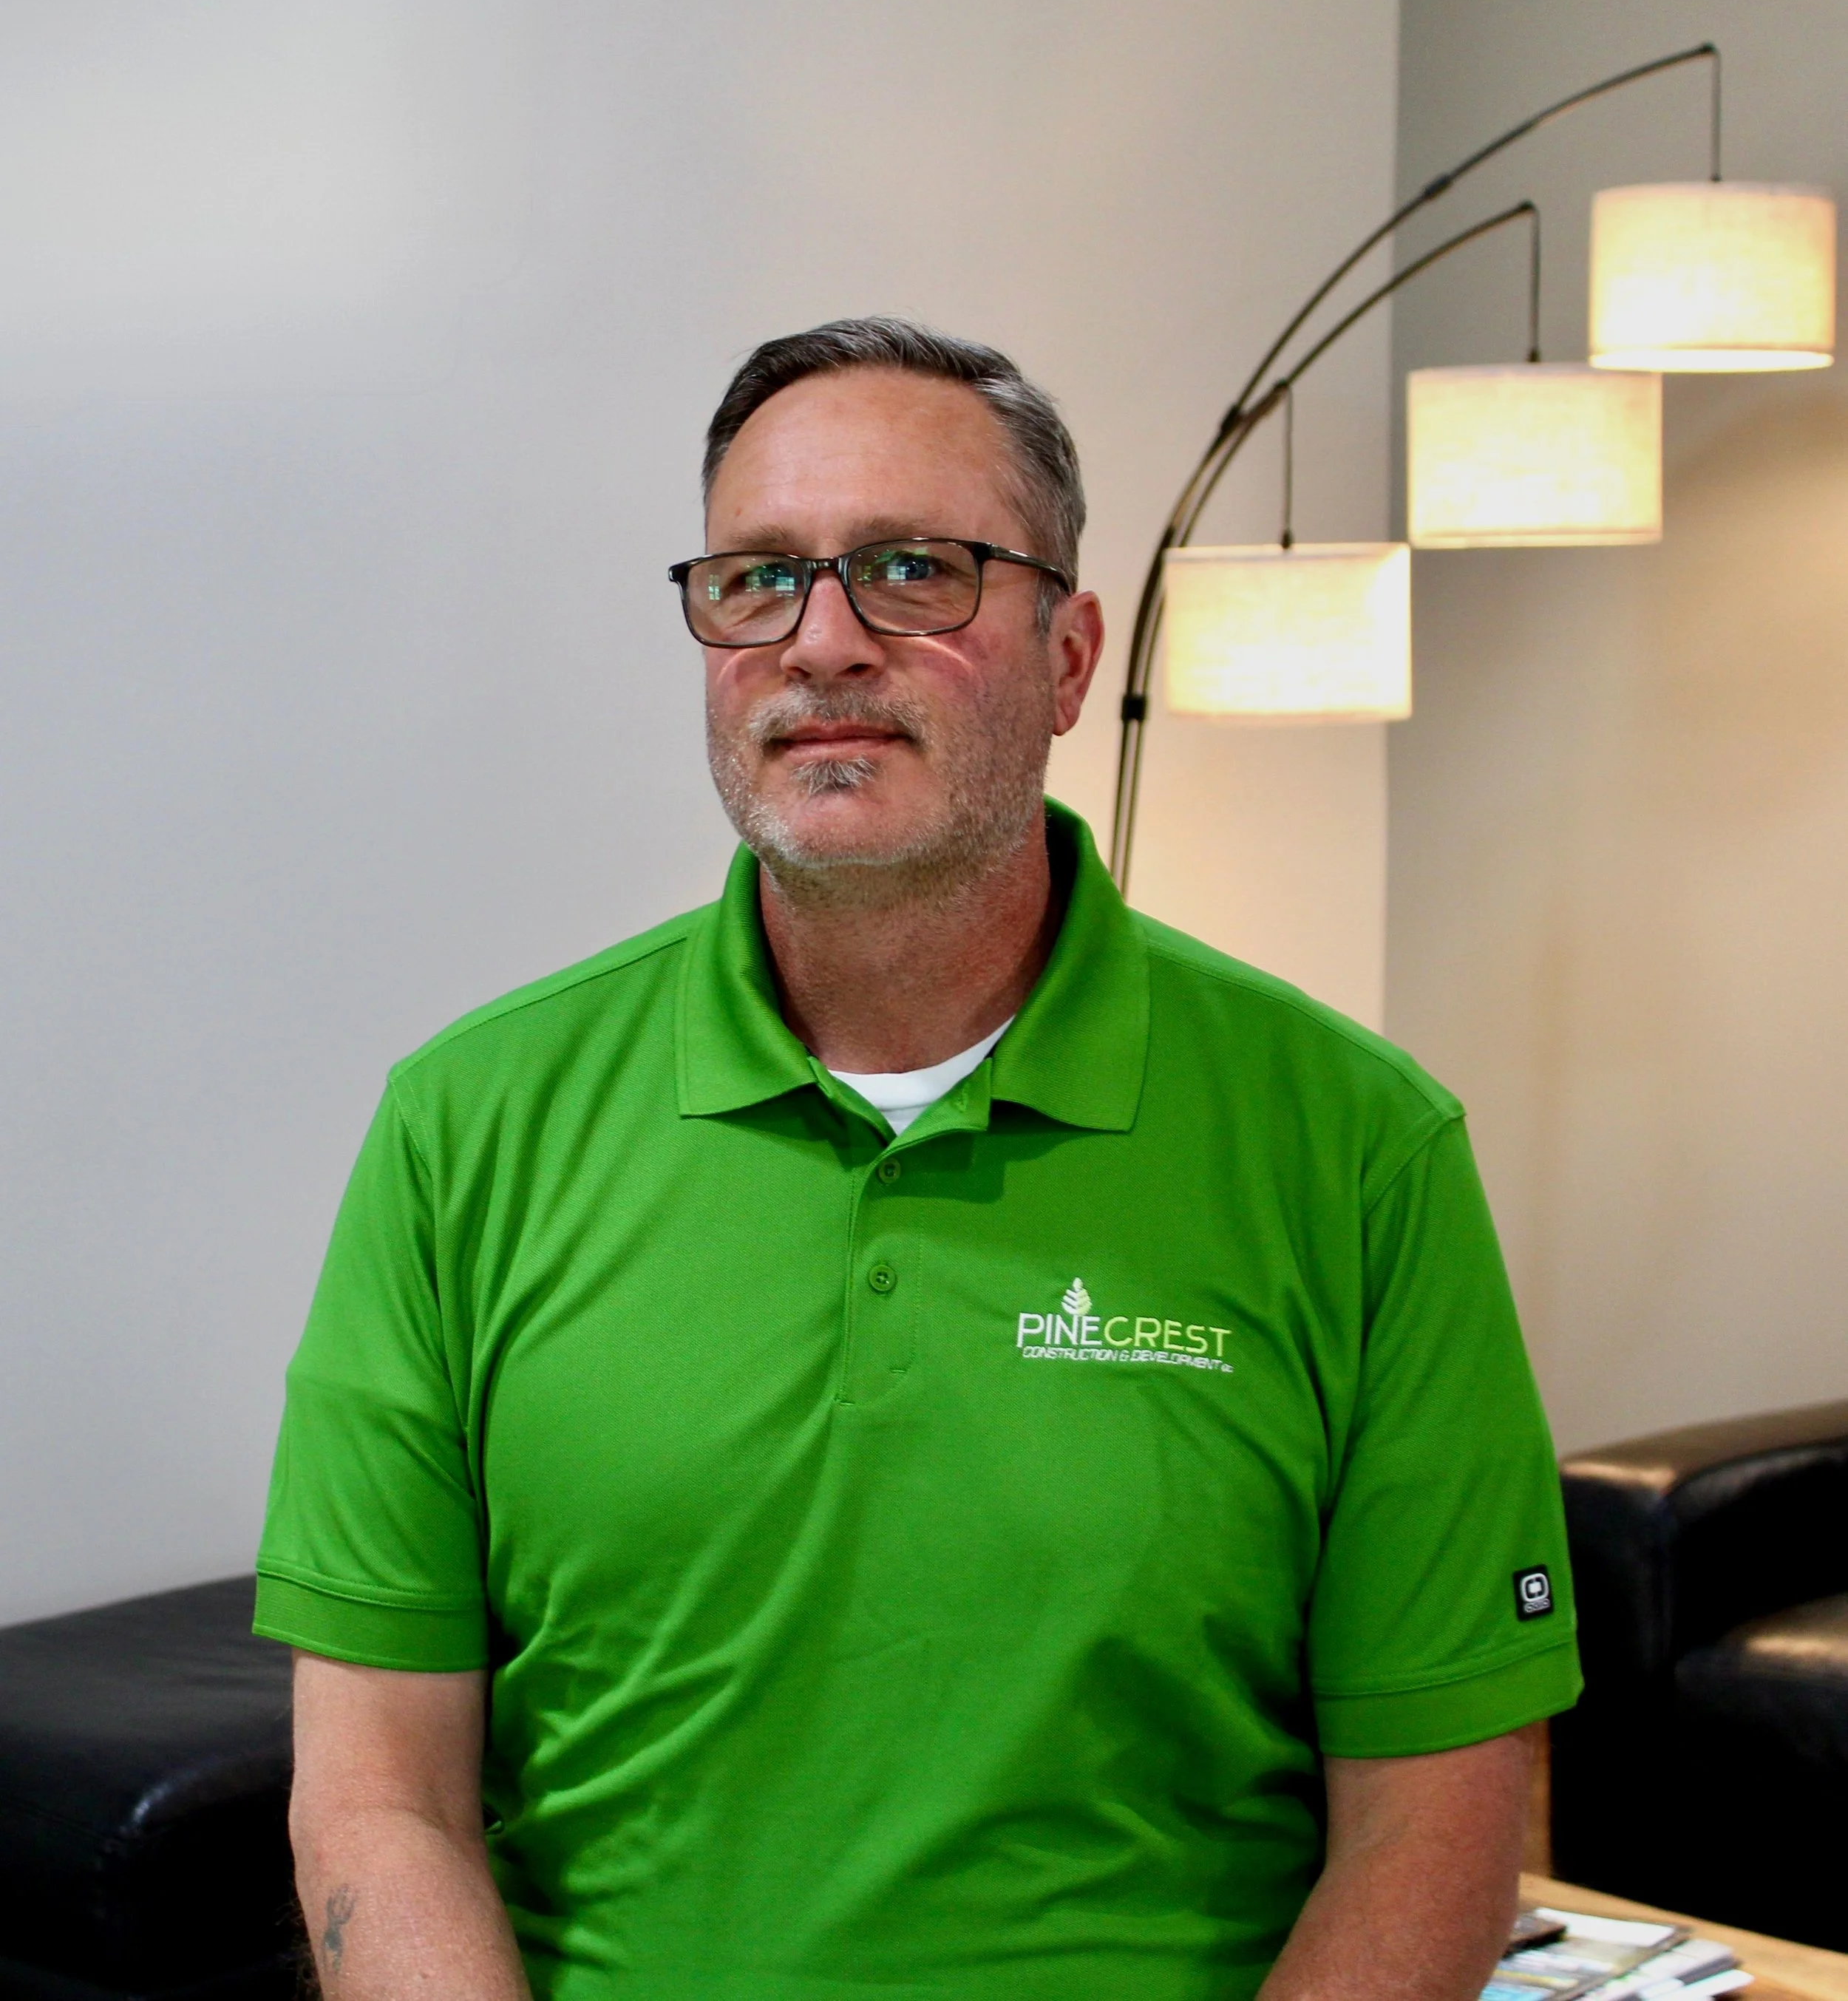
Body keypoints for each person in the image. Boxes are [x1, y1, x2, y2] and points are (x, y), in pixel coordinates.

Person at [259, 316, 1580, 2001]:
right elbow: (379, 1804)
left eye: (910, 570)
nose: (822, 641)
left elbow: (1434, 1830)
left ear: (1069, 654)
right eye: (754, 579)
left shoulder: (1357, 1149)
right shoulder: (465, 1130)